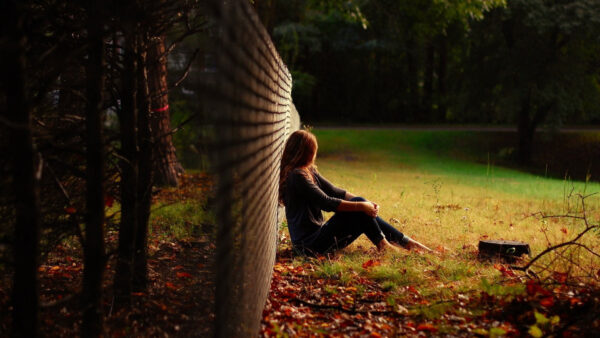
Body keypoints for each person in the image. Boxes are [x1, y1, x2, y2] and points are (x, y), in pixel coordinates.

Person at [279, 129, 432, 256]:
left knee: (359, 206)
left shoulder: (307, 170)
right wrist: (361, 205)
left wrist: (366, 204)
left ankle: (406, 243)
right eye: (313, 151)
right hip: (308, 246)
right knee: (358, 208)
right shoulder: (297, 176)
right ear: (305, 152)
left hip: (318, 237)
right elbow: (326, 202)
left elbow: (334, 191)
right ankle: (387, 245)